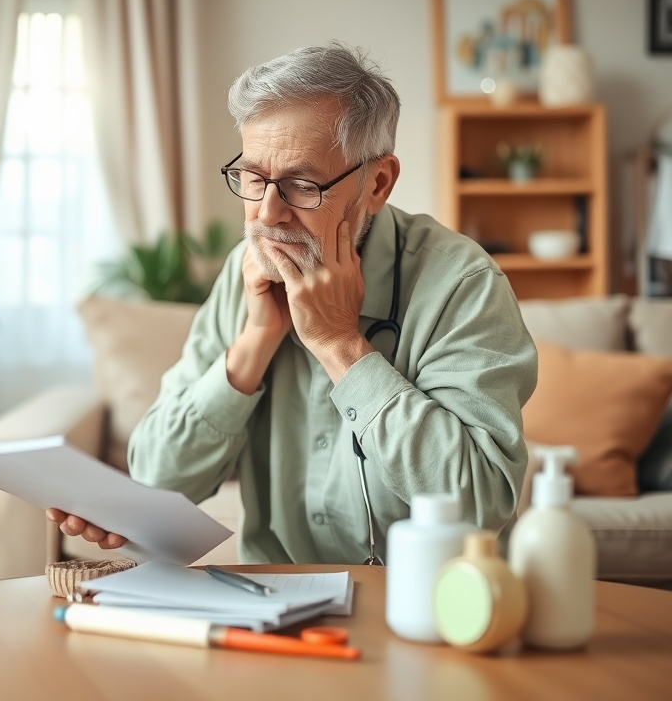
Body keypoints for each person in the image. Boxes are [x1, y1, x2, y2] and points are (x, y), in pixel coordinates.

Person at [47, 40, 537, 565]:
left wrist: (340, 345)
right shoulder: (247, 275)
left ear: (377, 183)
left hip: (429, 606)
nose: (267, 214)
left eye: (302, 185)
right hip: (274, 604)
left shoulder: (462, 284)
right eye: (254, 179)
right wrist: (253, 345)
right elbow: (155, 479)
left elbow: (479, 503)